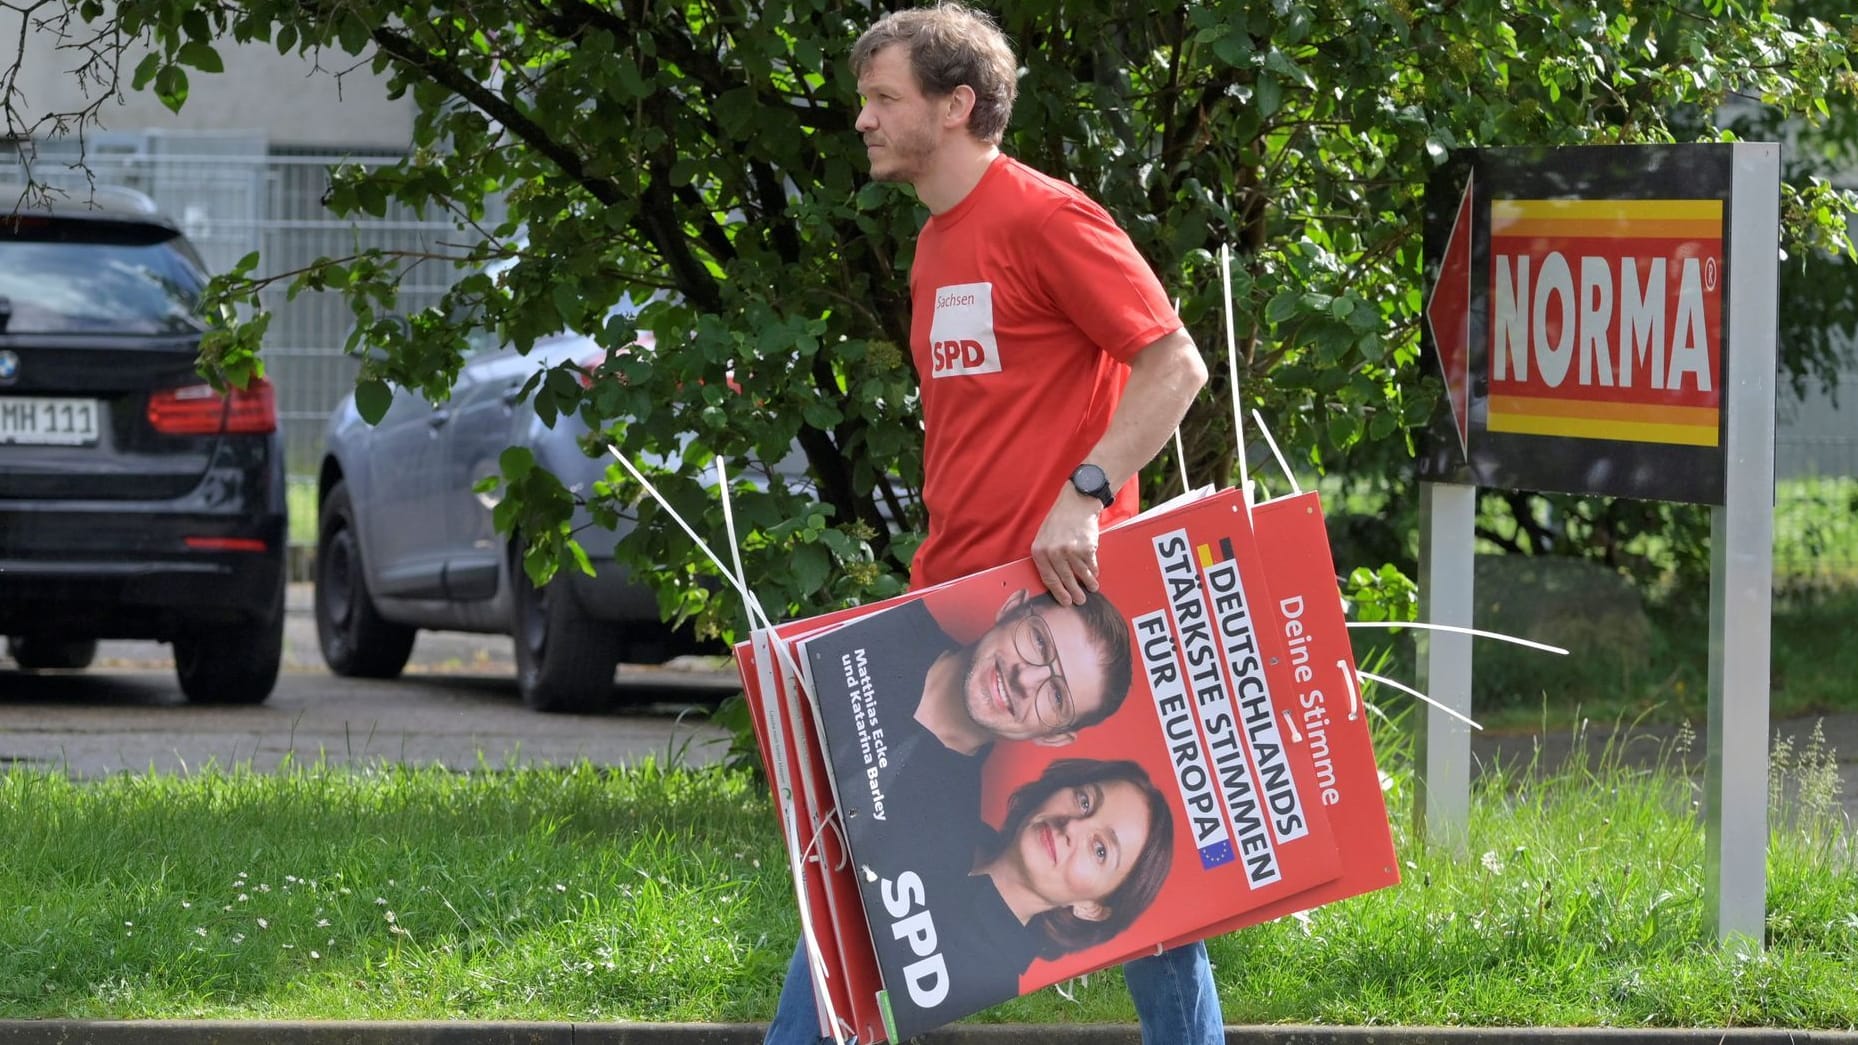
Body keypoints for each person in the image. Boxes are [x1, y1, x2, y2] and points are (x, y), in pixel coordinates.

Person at [767, 2, 1219, 1042]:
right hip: (946, 607)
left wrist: (1087, 492)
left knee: (1152, 921)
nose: (863, 121)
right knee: (864, 871)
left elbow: (1174, 364)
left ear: (957, 105)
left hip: (1050, 625)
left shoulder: (1047, 220)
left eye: (884, 98)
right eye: (863, 99)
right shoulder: (935, 243)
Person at [857, 757, 1175, 1028]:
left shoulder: (978, 970)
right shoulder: (954, 798)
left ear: (1092, 908)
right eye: (1085, 801)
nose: (1073, 827)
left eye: (1100, 850)